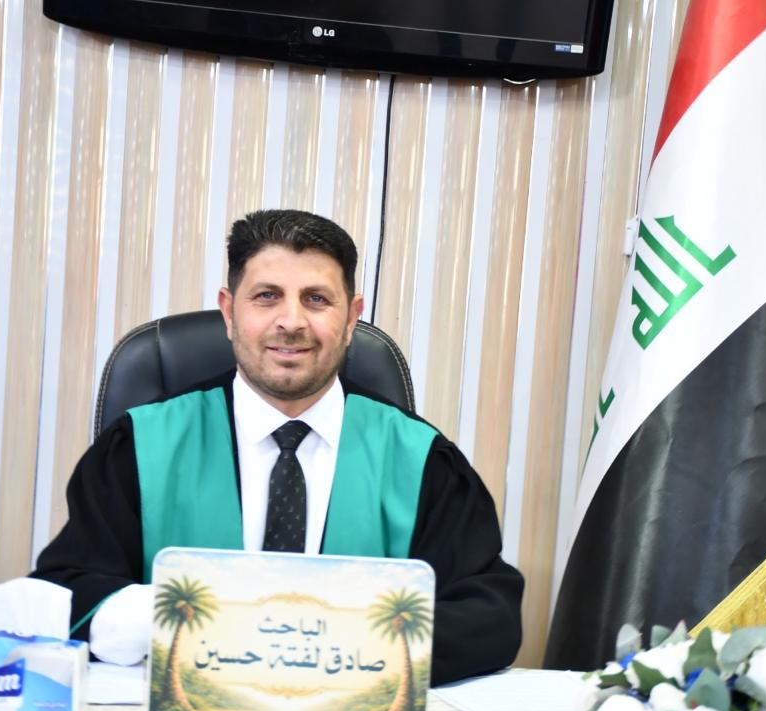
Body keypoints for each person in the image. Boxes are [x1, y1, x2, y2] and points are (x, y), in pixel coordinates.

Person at [31, 209, 522, 686]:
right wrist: (192, 620)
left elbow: (489, 617)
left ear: (352, 318)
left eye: (316, 299)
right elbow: (69, 592)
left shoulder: (421, 460)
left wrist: (336, 644)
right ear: (229, 312)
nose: (291, 321)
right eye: (267, 297)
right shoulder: (139, 447)